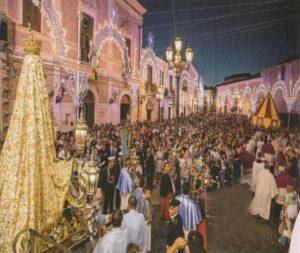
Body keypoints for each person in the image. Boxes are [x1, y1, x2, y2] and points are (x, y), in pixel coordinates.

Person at [137, 186, 153, 252]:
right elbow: (140, 211)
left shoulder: (148, 200)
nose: (150, 195)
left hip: (148, 220)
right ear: (145, 193)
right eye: (149, 193)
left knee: (148, 235)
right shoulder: (141, 200)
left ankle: (148, 248)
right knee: (144, 236)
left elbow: (150, 209)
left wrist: (150, 218)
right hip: (144, 221)